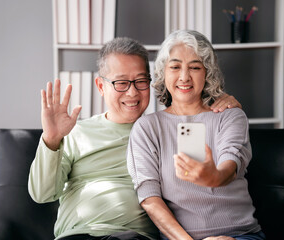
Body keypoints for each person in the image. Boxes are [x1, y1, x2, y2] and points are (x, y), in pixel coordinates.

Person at [28, 37, 241, 240]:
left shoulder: (161, 130)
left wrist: (222, 101)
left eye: (140, 81)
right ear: (101, 86)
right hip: (79, 233)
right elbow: (42, 194)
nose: (132, 93)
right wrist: (51, 139)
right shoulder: (76, 132)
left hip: (134, 236)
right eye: (121, 83)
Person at [126, 30, 265, 240]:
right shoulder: (147, 128)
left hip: (238, 235)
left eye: (195, 67)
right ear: (163, 73)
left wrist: (214, 177)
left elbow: (232, 162)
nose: (184, 77)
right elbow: (149, 199)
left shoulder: (230, 116)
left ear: (207, 72)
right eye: (175, 67)